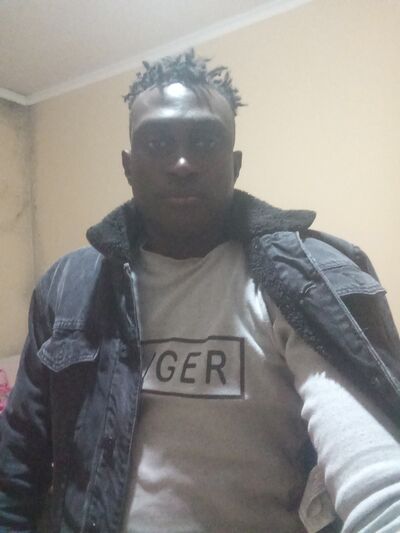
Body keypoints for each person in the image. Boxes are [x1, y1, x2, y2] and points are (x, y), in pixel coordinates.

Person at [0, 49, 399, 533]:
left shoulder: (310, 277)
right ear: (128, 165)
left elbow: (375, 466)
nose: (182, 164)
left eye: (205, 141)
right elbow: (17, 460)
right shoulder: (67, 286)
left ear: (235, 163)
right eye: (157, 142)